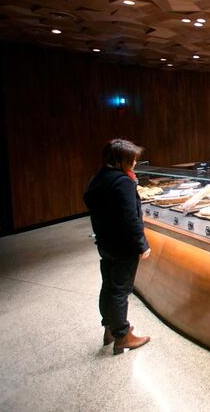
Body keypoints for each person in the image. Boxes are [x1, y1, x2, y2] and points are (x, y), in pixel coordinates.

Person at [83, 139, 151, 354]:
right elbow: (130, 218)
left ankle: (109, 328)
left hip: (105, 242)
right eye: (132, 160)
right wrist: (142, 244)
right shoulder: (123, 182)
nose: (135, 163)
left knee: (109, 284)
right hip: (123, 245)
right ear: (122, 160)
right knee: (121, 289)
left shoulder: (99, 178)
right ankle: (123, 335)